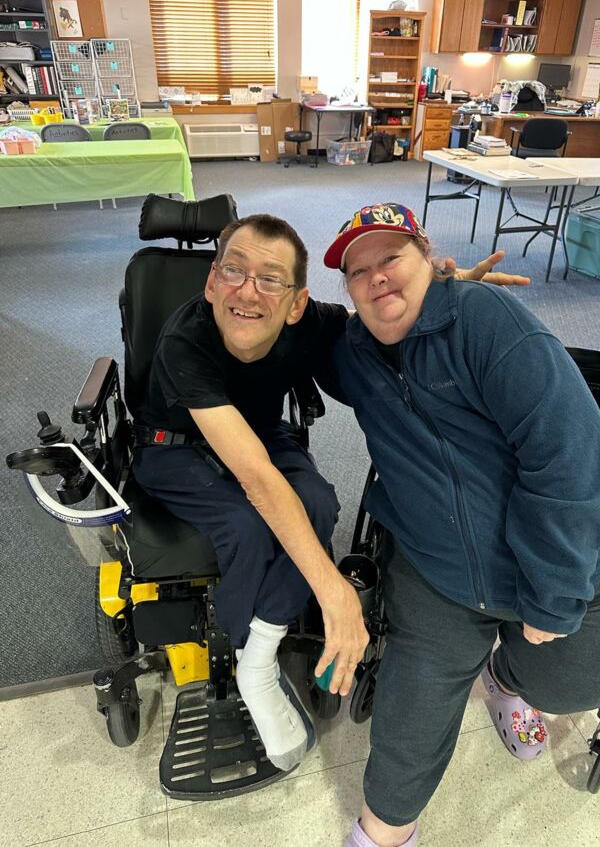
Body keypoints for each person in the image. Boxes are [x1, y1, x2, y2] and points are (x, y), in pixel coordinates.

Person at [132, 212, 527, 775]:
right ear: (212, 282)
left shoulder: (310, 322)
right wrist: (333, 591)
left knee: (319, 502)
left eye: (271, 279)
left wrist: (436, 289)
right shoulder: (185, 341)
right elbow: (258, 480)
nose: (247, 291)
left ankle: (260, 652)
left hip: (260, 431)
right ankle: (250, 658)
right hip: (174, 447)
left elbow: (377, 311)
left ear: (297, 303)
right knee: (247, 525)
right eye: (233, 271)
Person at [320, 203, 600, 847]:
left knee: (574, 684)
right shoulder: (351, 352)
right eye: (358, 271)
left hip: (584, 553)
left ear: (428, 256)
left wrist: (553, 593)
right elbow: (272, 326)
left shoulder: (487, 321)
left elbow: (570, 460)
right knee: (413, 708)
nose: (377, 277)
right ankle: (382, 834)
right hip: (439, 565)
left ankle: (504, 678)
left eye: (392, 258)